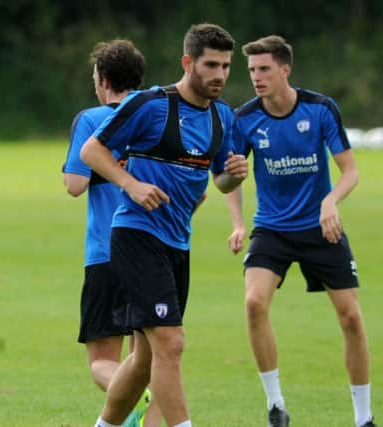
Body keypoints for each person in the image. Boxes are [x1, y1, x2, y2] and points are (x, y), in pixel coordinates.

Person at [80, 23, 248, 427]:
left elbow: (219, 179)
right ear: (188, 62)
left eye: (226, 66)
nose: (220, 75)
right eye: (211, 64)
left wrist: (234, 175)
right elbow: (92, 151)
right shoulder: (150, 104)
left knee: (144, 358)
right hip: (136, 236)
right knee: (171, 343)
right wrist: (131, 184)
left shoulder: (222, 117)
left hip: (177, 244)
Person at [226, 35, 378, 427]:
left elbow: (350, 171)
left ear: (284, 69)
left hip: (321, 228)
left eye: (264, 69)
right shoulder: (244, 119)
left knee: (351, 318)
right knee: (254, 303)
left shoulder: (320, 108)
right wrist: (239, 222)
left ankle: (364, 419)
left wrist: (330, 201)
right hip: (272, 229)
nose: (256, 78)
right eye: (252, 71)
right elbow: (230, 176)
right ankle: (276, 406)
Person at [62, 39, 162, 427]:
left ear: (104, 80)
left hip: (106, 253)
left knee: (104, 362)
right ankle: (151, 399)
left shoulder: (92, 119)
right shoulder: (158, 117)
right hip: (155, 252)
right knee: (150, 356)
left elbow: (74, 184)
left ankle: (147, 392)